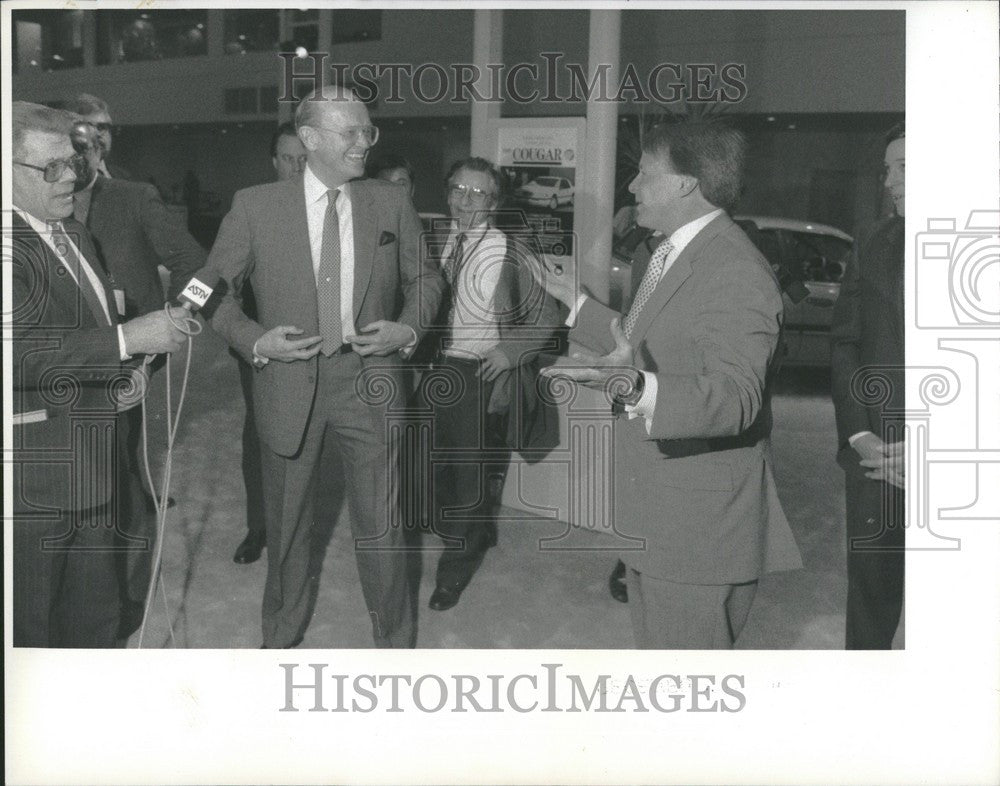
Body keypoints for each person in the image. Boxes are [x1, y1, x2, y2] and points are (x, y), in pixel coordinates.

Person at [536, 120, 802, 649]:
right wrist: (579, 307)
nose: (631, 187)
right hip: (660, 509)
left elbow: (737, 397)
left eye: (642, 172)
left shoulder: (734, 268)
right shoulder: (673, 251)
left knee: (685, 694)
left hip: (696, 530)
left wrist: (637, 388)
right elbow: (647, 336)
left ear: (684, 184)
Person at [207, 86, 444, 648]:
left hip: (372, 382)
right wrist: (255, 339)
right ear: (309, 139)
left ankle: (393, 645)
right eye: (351, 132)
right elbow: (203, 289)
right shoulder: (254, 205)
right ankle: (281, 634)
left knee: (383, 527)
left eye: (369, 131)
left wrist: (407, 327)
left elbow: (427, 278)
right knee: (287, 526)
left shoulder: (388, 202)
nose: (365, 142)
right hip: (289, 382)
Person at [10, 102, 188, 647]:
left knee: (95, 616)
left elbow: (85, 332)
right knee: (33, 625)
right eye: (51, 169)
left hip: (94, 458)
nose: (71, 178)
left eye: (73, 164)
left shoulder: (75, 234)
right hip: (34, 476)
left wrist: (123, 370)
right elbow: (18, 352)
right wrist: (127, 338)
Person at [415, 157, 561, 611]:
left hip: (476, 376)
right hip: (432, 371)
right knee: (425, 467)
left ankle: (453, 574)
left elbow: (548, 316)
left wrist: (511, 351)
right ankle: (473, 531)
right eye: (458, 189)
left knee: (467, 478)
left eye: (478, 194)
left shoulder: (509, 252)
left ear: (494, 203)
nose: (465, 200)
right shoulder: (436, 240)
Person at [830, 124, 906, 649]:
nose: (891, 182)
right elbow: (845, 343)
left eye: (906, 167)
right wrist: (859, 434)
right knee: (870, 608)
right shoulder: (872, 240)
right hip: (876, 460)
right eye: (888, 169)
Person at [231, 122, 309, 566]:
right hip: (262, 348)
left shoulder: (339, 207)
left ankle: (300, 526)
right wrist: (188, 304)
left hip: (323, 344)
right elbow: (216, 278)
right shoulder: (251, 207)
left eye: (305, 158)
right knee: (260, 436)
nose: (297, 166)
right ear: (273, 162)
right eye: (287, 158)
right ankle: (259, 528)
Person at [59, 93, 133, 179]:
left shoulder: (124, 177)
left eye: (103, 127)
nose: (97, 134)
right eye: (87, 126)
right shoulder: (61, 177)